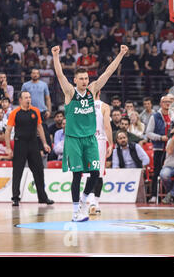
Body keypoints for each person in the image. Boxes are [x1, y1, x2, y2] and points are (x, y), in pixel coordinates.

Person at [51, 44, 128, 222]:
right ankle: (75, 211)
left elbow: (108, 72)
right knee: (77, 175)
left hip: (90, 139)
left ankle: (85, 200)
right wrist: (55, 57)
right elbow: (60, 75)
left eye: (86, 78)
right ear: (76, 80)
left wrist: (121, 54)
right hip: (73, 139)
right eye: (82, 79)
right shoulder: (70, 92)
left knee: (95, 173)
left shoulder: (92, 90)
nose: (85, 81)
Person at [5, 91, 54, 207]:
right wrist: (8, 148)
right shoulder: (15, 113)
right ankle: (15, 198)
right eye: (26, 97)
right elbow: (8, 131)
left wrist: (45, 143)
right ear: (20, 100)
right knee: (17, 172)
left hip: (33, 144)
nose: (29, 99)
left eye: (30, 97)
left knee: (39, 171)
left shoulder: (35, 111)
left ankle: (43, 197)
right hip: (20, 144)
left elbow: (39, 127)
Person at [87, 91, 114, 215]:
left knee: (89, 172)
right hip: (100, 141)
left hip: (86, 140)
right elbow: (107, 126)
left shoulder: (83, 105)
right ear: (100, 92)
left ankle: (92, 200)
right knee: (99, 173)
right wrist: (111, 143)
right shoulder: (104, 106)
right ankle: (95, 202)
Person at [146, 95, 174, 203]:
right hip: (159, 148)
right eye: (165, 102)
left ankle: (171, 195)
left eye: (169, 102)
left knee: (170, 172)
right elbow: (148, 133)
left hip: (171, 149)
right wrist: (160, 138)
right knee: (157, 171)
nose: (168, 104)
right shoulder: (155, 116)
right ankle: (154, 195)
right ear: (161, 104)